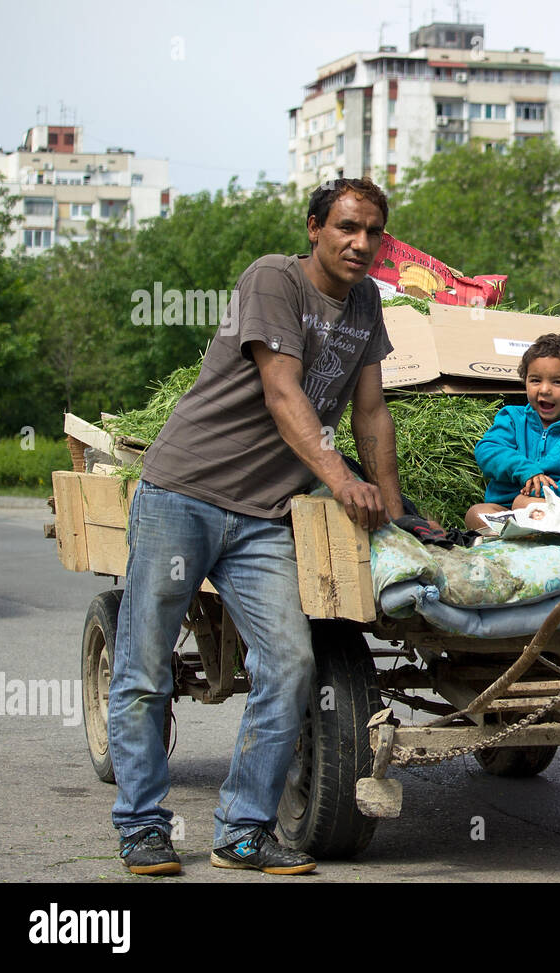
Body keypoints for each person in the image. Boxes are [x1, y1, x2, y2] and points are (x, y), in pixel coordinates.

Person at [109, 177, 402, 876]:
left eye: (373, 233)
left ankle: (242, 828)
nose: (361, 244)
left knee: (290, 663)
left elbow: (371, 410)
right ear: (314, 228)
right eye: (346, 228)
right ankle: (142, 826)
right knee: (146, 668)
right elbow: (283, 392)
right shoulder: (275, 279)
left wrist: (392, 509)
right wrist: (343, 481)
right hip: (185, 491)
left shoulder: (366, 301)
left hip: (265, 514)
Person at [466, 333, 560, 531]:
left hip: (559, 509)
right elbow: (488, 450)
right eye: (535, 380)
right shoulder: (511, 418)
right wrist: (526, 470)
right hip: (507, 510)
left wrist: (548, 493)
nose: (544, 389)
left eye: (557, 382)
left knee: (525, 503)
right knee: (475, 514)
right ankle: (526, 535)